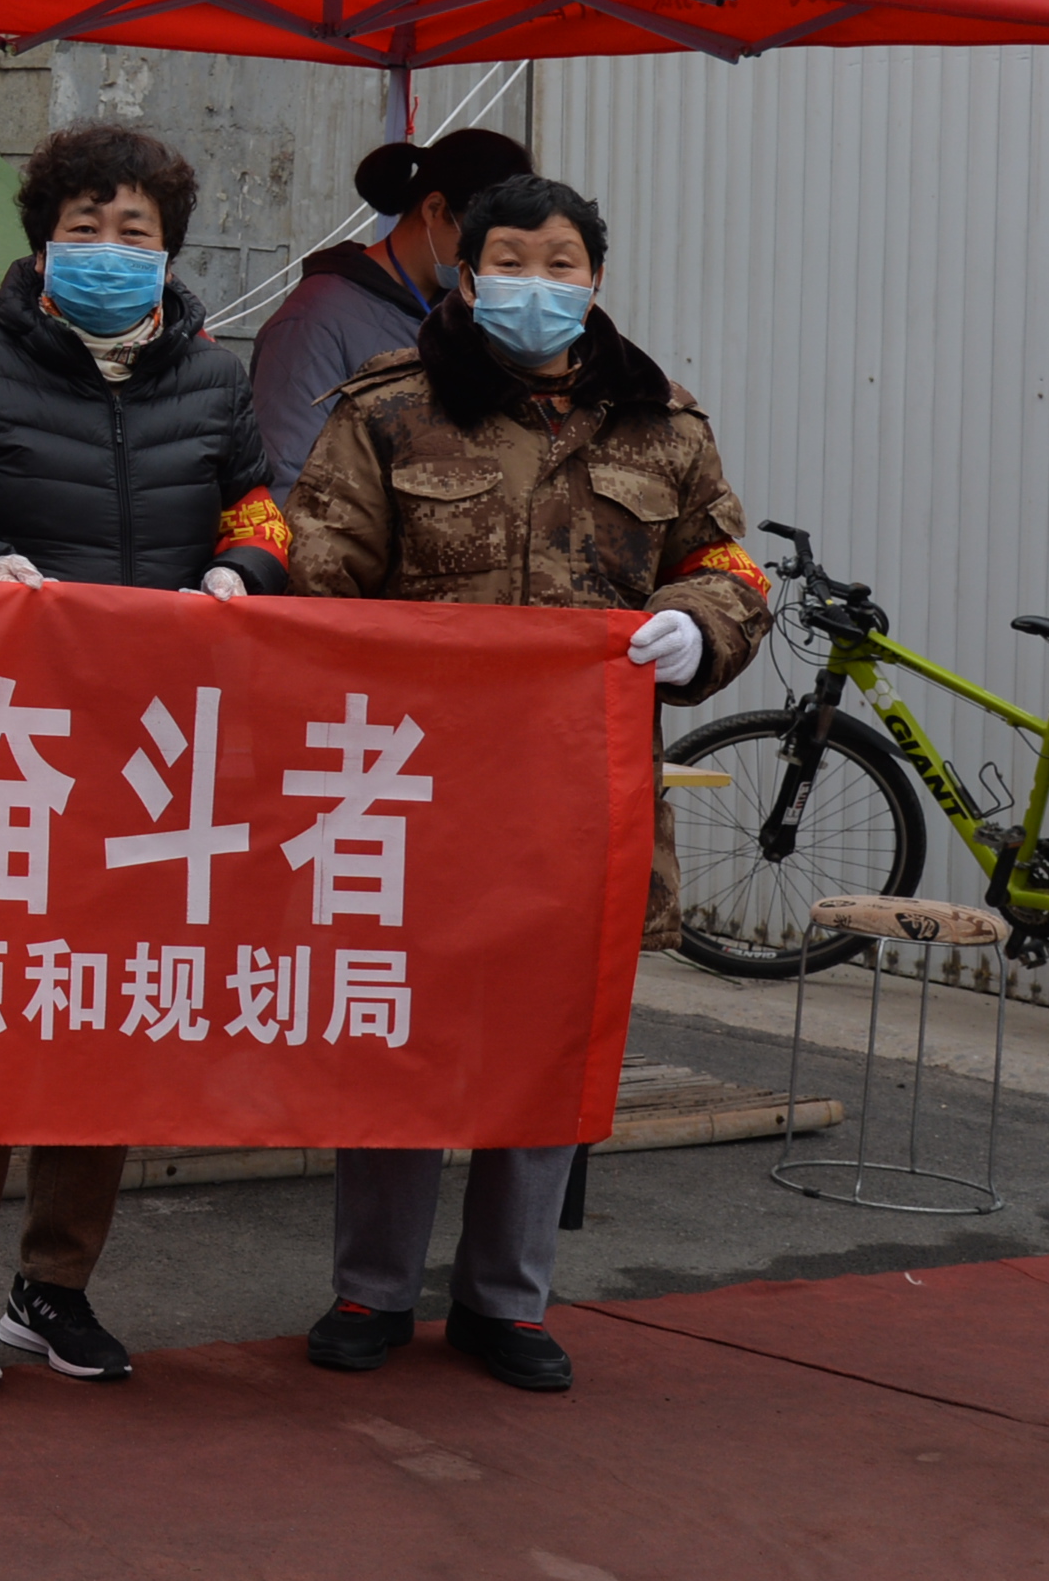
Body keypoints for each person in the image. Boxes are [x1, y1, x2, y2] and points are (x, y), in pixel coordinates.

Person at [282, 171, 767, 1393]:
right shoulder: (388, 412)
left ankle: (508, 1297)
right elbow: (321, 568)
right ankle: (371, 1287)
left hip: (578, 795)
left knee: (546, 1046)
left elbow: (729, 561)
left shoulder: (661, 423)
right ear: (464, 265)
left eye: (562, 262)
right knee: (400, 1034)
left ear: (595, 277)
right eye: (511, 257)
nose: (535, 283)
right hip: (407, 786)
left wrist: (695, 623)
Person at [0, 123, 294, 1390]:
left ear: (172, 248)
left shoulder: (215, 381)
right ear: (43, 238)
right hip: (5, 749)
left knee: (112, 1015)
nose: (112, 251)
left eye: (138, 232)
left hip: (154, 752)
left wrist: (242, 566)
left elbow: (259, 505)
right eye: (88, 228)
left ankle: (57, 1284)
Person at [245, 128, 534, 490]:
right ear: (435, 210)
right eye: (487, 239)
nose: (494, 260)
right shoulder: (312, 322)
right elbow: (290, 483)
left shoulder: (468, 313)